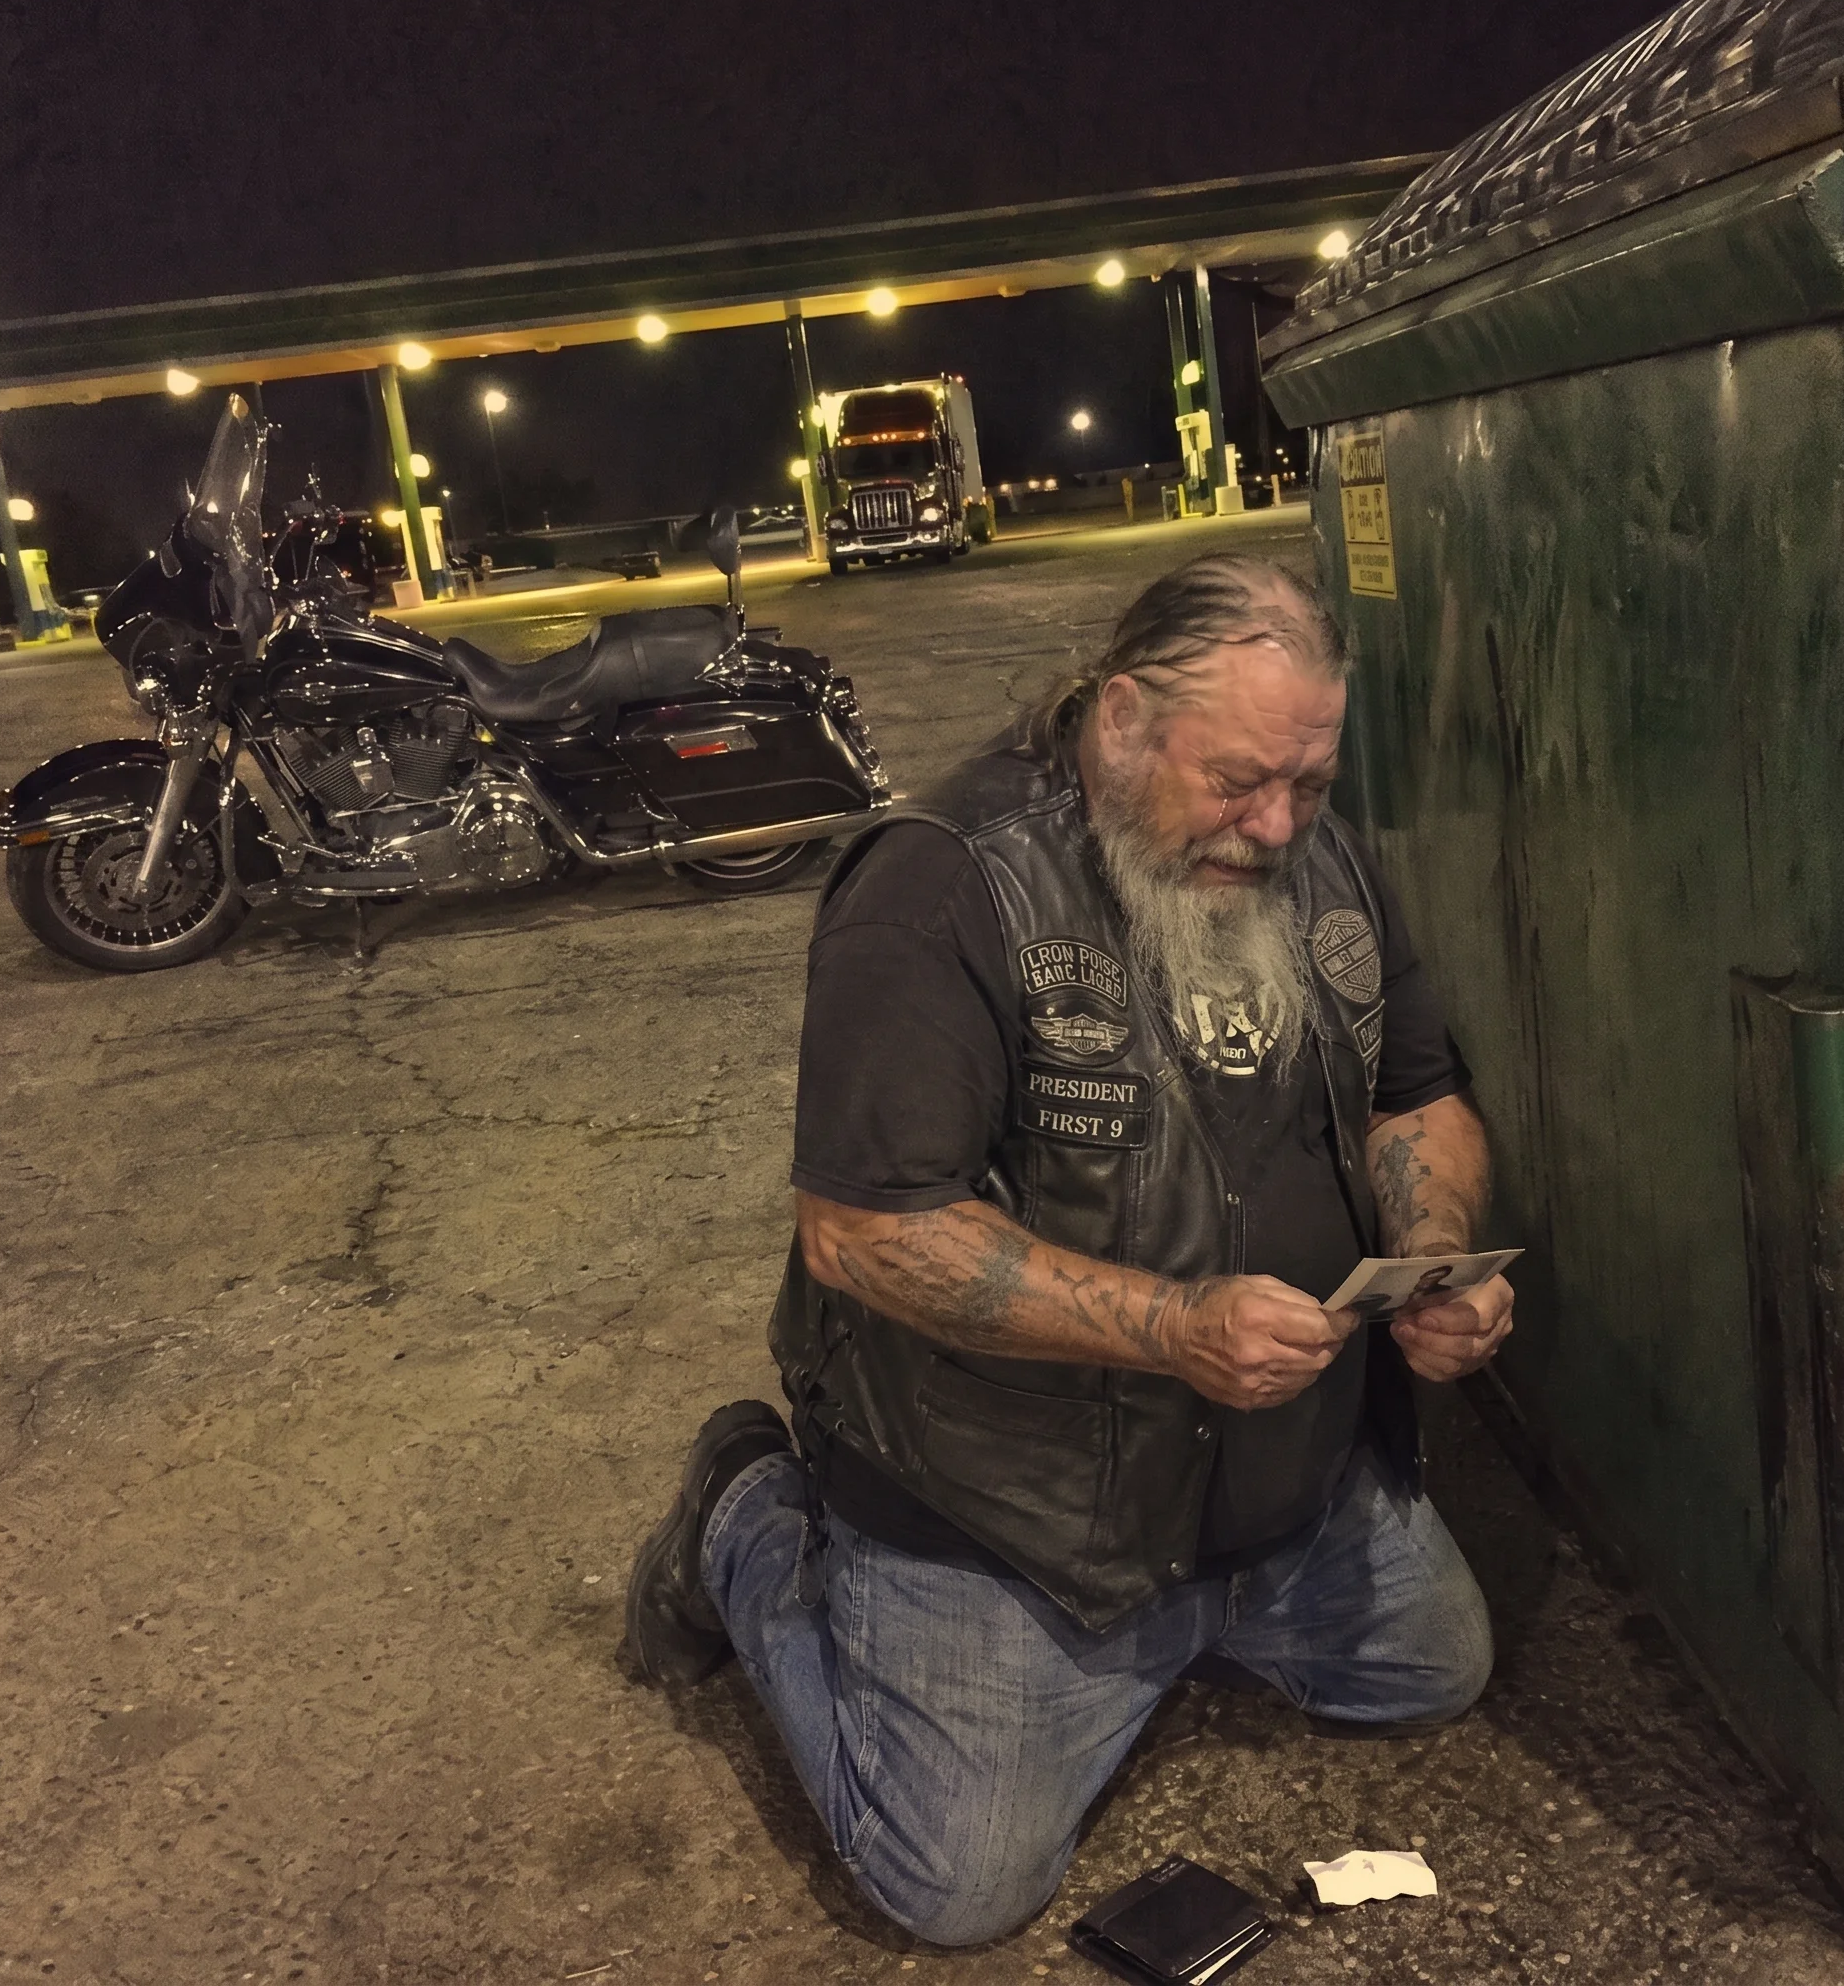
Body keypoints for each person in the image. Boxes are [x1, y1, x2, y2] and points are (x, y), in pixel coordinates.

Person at [624, 552, 1515, 1946]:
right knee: (956, 1887)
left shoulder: (1325, 855)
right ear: (1118, 719)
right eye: (1234, 782)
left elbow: (1420, 1095)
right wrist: (1174, 1331)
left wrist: (1436, 1253)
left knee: (1436, 1666)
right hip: (1020, 1521)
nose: (1277, 826)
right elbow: (864, 1236)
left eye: (1310, 784)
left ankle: (1197, 1622)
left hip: (1278, 1487)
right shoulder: (942, 884)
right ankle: (742, 1518)